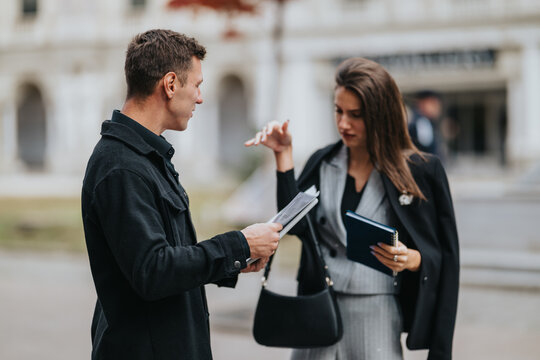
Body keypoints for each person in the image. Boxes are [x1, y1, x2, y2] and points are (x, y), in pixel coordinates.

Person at [81, 29, 281, 360]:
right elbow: (153, 271)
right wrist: (239, 243)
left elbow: (168, 254)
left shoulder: (146, 157)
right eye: (197, 85)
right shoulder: (122, 168)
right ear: (171, 84)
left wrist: (231, 263)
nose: (201, 97)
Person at [245, 58, 459, 359]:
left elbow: (445, 255)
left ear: (380, 115)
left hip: (378, 314)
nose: (343, 123)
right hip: (318, 311)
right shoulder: (323, 161)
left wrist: (412, 259)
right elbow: (295, 226)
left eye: (355, 115)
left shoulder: (421, 170)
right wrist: (284, 158)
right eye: (339, 111)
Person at [407, 90, 444, 157]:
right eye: (433, 104)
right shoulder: (422, 122)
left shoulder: (424, 121)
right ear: (422, 103)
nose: (437, 108)